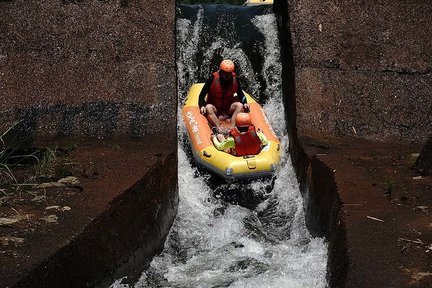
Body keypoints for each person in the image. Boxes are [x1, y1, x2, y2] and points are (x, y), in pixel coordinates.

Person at [199, 59, 250, 133]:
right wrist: (202, 105)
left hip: (228, 107)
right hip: (215, 107)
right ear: (221, 72)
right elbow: (202, 95)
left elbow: (241, 94)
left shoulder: (235, 79)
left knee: (239, 105)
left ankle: (232, 128)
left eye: (229, 73)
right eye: (225, 73)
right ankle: (219, 128)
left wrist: (245, 102)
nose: (227, 75)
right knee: (208, 107)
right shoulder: (212, 79)